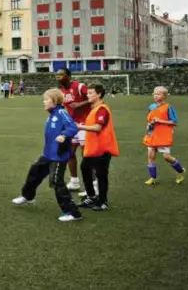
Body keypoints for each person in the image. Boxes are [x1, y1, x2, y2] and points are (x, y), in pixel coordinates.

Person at [11, 89, 83, 222]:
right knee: (35, 172)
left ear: (54, 101)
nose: (43, 102)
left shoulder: (61, 113)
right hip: (48, 154)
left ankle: (73, 213)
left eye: (46, 99)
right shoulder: (52, 114)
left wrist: (63, 135)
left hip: (59, 157)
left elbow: (73, 127)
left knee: (56, 182)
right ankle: (28, 196)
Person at [76, 83, 119, 211]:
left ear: (99, 94)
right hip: (94, 148)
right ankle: (91, 196)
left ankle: (103, 202)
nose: (87, 95)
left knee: (101, 174)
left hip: (103, 148)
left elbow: (98, 128)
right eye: (87, 93)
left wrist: (80, 126)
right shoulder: (94, 109)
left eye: (90, 93)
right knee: (85, 168)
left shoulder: (102, 109)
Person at [56, 68, 91, 192]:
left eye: (61, 75)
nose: (58, 77)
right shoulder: (61, 92)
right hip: (73, 125)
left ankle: (92, 185)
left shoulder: (80, 87)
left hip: (86, 124)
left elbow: (93, 98)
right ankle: (74, 181)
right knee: (69, 152)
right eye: (57, 75)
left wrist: (80, 104)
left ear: (69, 76)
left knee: (86, 155)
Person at [143, 86, 186, 185]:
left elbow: (174, 122)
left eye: (158, 93)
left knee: (166, 157)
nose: (155, 95)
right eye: (154, 93)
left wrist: (160, 121)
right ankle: (153, 177)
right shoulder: (151, 107)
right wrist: (148, 126)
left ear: (164, 96)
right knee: (150, 155)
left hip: (163, 135)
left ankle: (181, 171)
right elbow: (149, 119)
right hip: (152, 134)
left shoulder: (168, 107)